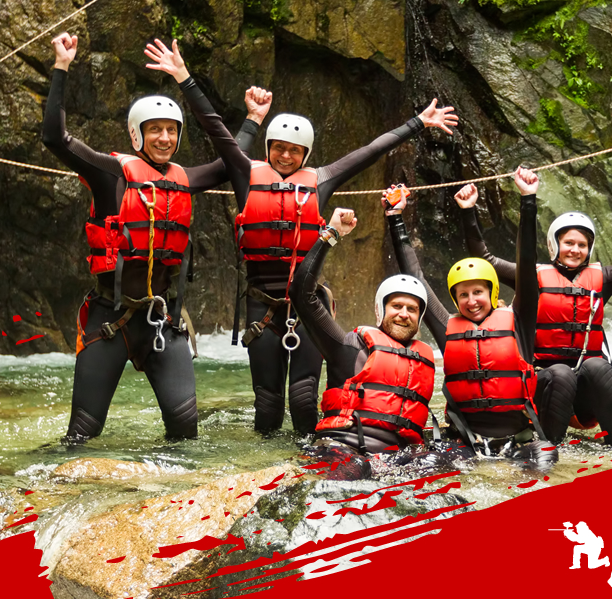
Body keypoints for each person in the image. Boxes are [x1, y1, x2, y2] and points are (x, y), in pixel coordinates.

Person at [209, 83, 457, 437]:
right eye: (278, 148)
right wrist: (188, 79)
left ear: (305, 154)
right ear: (268, 149)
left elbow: (370, 151)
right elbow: (220, 137)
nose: (285, 156)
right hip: (261, 303)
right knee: (266, 401)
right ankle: (264, 464)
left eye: (295, 151)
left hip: (308, 304)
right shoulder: (247, 176)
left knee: (303, 397)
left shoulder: (322, 179)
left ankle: (306, 462)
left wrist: (418, 122)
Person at [42, 35, 252, 441]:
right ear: (137, 134)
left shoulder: (185, 179)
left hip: (162, 320)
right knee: (82, 434)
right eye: (155, 130)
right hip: (110, 318)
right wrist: (62, 66)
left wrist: (246, 116)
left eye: (171, 130)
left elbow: (233, 158)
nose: (164, 138)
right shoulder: (110, 174)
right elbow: (55, 138)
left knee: (185, 431)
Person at [457, 180, 612, 445]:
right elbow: (485, 259)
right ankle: (549, 448)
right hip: (543, 386)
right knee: (561, 372)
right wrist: (468, 210)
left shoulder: (603, 278)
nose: (575, 250)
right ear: (555, 244)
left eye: (582, 245)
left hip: (582, 395)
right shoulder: (531, 278)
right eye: (568, 243)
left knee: (598, 366)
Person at [389, 168, 555, 465]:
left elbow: (526, 263)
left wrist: (528, 199)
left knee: (545, 465)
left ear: (492, 291)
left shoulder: (519, 320)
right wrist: (395, 217)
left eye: (478, 292)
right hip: (465, 443)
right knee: (426, 467)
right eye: (463, 294)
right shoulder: (448, 327)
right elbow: (415, 278)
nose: (471, 301)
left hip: (519, 443)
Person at [289, 199, 435, 454]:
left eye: (412, 309)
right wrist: (331, 234)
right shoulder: (348, 346)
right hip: (344, 448)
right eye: (396, 306)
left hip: (398, 458)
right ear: (381, 310)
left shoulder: (424, 358)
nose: (403, 314)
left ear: (419, 316)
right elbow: (301, 293)